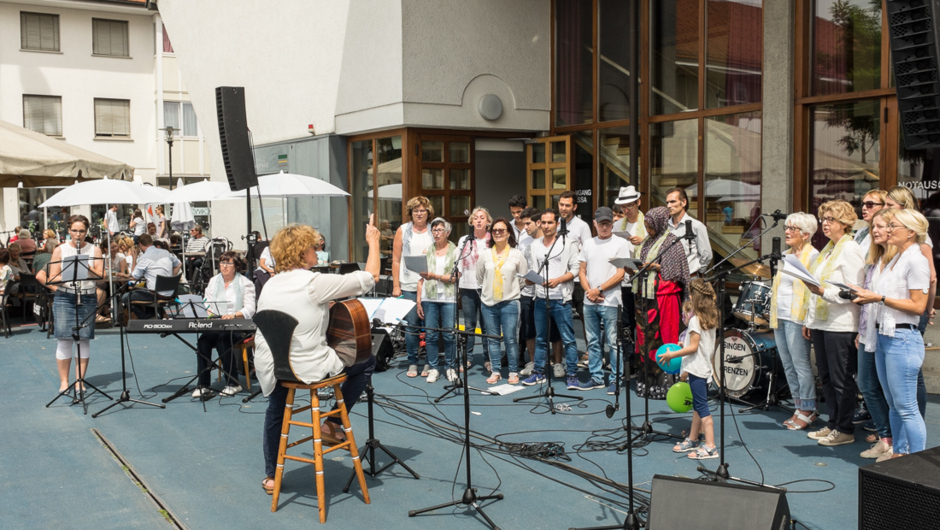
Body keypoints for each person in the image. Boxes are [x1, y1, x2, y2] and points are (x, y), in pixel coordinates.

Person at [257, 216, 381, 496]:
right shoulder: (314, 283)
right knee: (367, 361)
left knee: (277, 408)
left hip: (273, 367)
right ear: (303, 253)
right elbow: (370, 278)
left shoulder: (271, 284)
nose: (318, 250)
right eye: (314, 246)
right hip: (306, 368)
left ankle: (271, 475)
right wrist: (373, 242)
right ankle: (332, 423)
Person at [851, 209, 931, 459]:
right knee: (895, 405)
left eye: (893, 225)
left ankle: (917, 461)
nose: (887, 229)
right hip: (884, 337)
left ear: (910, 232)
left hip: (902, 339)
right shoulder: (896, 259)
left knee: (907, 407)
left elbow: (919, 306)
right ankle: (899, 453)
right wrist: (865, 295)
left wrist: (879, 298)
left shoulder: (916, 260)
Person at [801, 200, 866, 447]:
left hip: (841, 323)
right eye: (823, 219)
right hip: (822, 320)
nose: (825, 224)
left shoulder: (849, 249)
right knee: (826, 378)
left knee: (841, 379)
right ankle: (833, 423)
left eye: (831, 219)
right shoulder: (829, 248)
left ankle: (845, 428)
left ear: (845, 223)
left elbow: (853, 292)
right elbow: (816, 287)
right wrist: (809, 319)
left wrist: (821, 291)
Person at [769, 213, 820, 431]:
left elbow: (815, 291)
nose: (787, 231)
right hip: (780, 314)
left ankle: (809, 408)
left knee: (801, 364)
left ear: (806, 234)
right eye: (786, 227)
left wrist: (809, 319)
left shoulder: (813, 256)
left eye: (793, 228)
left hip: (798, 316)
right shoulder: (785, 254)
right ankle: (798, 407)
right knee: (788, 364)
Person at [633, 206, 691, 399]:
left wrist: (657, 267)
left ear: (659, 224)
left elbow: (677, 274)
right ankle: (646, 383)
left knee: (663, 336)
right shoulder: (648, 242)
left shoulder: (672, 242)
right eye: (646, 226)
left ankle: (664, 384)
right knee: (644, 340)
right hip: (644, 298)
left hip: (664, 299)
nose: (648, 230)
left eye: (650, 227)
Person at [660, 278, 719, 460]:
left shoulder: (694, 320)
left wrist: (671, 355)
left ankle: (710, 446)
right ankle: (693, 439)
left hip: (697, 370)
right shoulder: (710, 317)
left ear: (693, 298)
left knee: (702, 409)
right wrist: (682, 344)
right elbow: (700, 344)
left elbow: (693, 347)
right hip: (705, 368)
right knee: (697, 407)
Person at [522, 208, 581, 388]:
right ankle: (538, 372)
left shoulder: (567, 243)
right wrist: (530, 280)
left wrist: (558, 280)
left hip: (561, 299)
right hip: (540, 298)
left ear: (557, 224)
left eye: (550, 222)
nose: (546, 226)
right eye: (543, 222)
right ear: (539, 223)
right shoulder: (534, 246)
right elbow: (533, 269)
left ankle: (572, 374)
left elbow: (575, 269)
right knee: (540, 338)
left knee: (569, 339)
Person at [855, 210, 897, 459]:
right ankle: (885, 438)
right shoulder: (875, 260)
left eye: (881, 226)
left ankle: (896, 445)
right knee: (866, 385)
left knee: (890, 392)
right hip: (868, 330)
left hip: (889, 332)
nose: (875, 230)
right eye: (873, 227)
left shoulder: (898, 261)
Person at [47, 215, 104, 393]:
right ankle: (64, 381)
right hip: (65, 296)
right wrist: (68, 273)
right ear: (69, 231)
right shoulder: (60, 250)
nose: (78, 234)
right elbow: (52, 278)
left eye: (81, 231)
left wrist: (84, 265)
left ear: (86, 232)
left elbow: (101, 277)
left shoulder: (94, 250)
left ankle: (80, 380)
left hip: (87, 295)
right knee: (64, 338)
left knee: (84, 339)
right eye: (74, 230)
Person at [192, 251, 256, 399]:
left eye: (228, 263)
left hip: (238, 324)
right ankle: (203, 384)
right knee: (203, 341)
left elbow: (250, 309)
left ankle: (233, 383)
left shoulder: (246, 283)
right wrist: (208, 313)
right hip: (216, 323)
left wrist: (233, 315)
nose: (224, 266)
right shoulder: (214, 281)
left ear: (236, 266)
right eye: (222, 263)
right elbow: (206, 301)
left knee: (223, 340)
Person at [579, 207, 629, 392]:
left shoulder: (620, 243)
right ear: (595, 224)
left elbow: (620, 274)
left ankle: (616, 379)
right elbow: (582, 270)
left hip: (611, 301)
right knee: (592, 341)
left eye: (608, 223)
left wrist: (598, 289)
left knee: (614, 342)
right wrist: (589, 292)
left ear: (612, 223)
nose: (605, 227)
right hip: (590, 301)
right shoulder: (588, 244)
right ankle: (596, 377)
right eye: (601, 223)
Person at [478, 217, 528, 384]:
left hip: (510, 302)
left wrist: (510, 291)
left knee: (510, 339)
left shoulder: (516, 254)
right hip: (488, 303)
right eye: (495, 231)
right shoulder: (485, 254)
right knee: (492, 339)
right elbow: (480, 278)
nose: (498, 233)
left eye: (501, 230)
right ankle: (496, 370)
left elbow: (522, 278)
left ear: (508, 233)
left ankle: (513, 371)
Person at [392, 196, 435, 377]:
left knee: (431, 326)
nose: (419, 213)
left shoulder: (435, 229)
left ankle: (429, 363)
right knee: (412, 326)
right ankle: (412, 362)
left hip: (431, 284)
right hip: (409, 284)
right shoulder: (402, 230)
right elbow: (395, 259)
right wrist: (396, 285)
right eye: (416, 210)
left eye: (422, 210)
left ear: (428, 212)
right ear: (411, 213)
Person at [416, 218, 459, 383]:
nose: (436, 233)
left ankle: (450, 367)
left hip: (448, 298)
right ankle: (434, 368)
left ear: (447, 232)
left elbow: (456, 278)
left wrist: (436, 276)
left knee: (449, 335)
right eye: (434, 230)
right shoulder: (427, 251)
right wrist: (419, 301)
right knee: (431, 335)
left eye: (440, 230)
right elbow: (421, 279)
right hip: (429, 298)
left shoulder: (455, 251)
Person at [613, 185, 645, 374]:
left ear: (638, 203)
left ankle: (642, 361)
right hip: (624, 278)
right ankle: (628, 361)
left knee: (642, 321)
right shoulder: (618, 225)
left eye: (630, 205)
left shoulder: (647, 222)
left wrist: (644, 241)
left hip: (643, 280)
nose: (626, 210)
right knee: (625, 323)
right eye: (623, 207)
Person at [456, 206, 493, 372]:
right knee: (469, 325)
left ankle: (488, 359)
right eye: (475, 218)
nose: (478, 220)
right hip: (467, 287)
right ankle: (468, 358)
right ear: (471, 221)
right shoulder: (464, 239)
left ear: (488, 222)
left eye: (482, 217)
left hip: (486, 288)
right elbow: (457, 263)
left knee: (486, 325)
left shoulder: (491, 239)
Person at [118, 234, 182, 319]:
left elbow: (134, 277)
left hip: (156, 294)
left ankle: (148, 317)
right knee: (145, 288)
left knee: (126, 297)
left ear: (140, 244)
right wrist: (169, 278)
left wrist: (134, 258)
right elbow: (179, 264)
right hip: (171, 292)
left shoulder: (144, 257)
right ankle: (159, 314)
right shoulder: (165, 252)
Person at [665, 187, 712, 278]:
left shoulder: (697, 226)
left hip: (690, 278)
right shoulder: (664, 227)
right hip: (669, 280)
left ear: (683, 202)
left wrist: (696, 271)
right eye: (667, 202)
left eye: (673, 202)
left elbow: (706, 254)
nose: (669, 206)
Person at [855, 190, 887, 256]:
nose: (864, 208)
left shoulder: (887, 233)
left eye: (869, 204)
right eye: (863, 204)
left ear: (884, 207)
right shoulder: (861, 232)